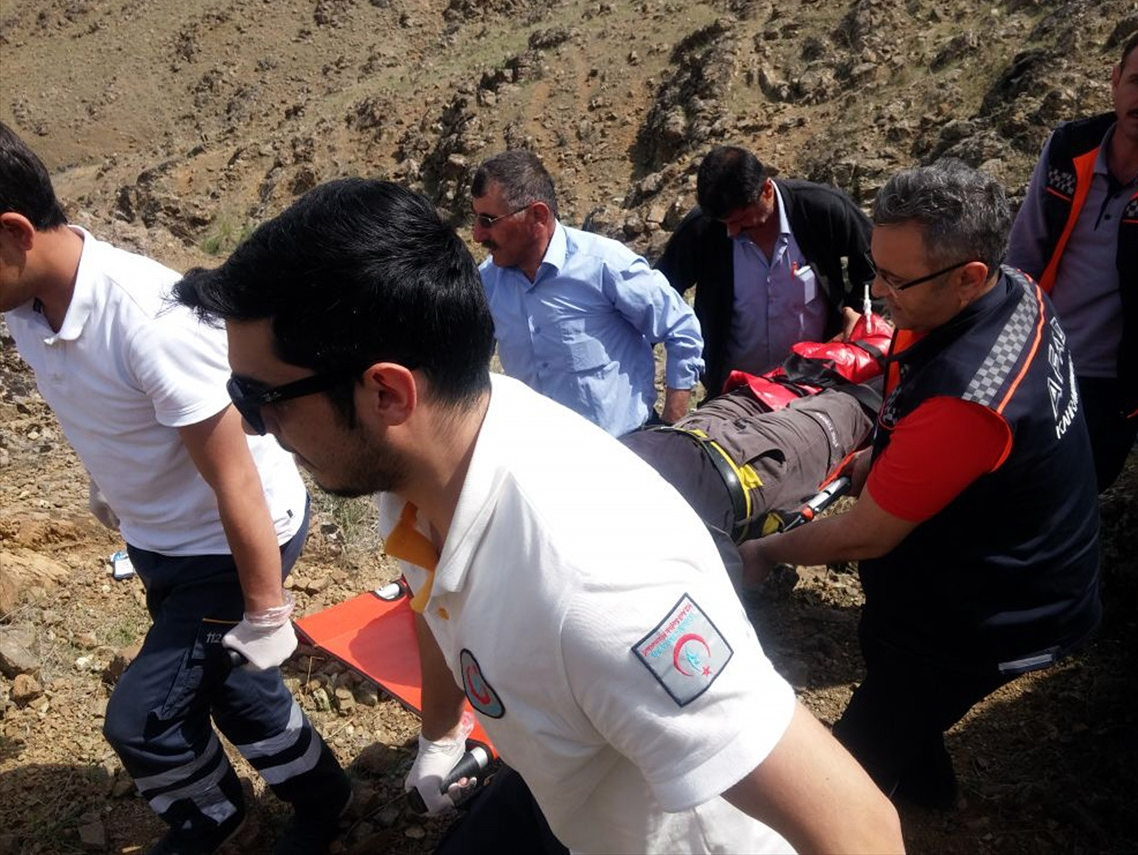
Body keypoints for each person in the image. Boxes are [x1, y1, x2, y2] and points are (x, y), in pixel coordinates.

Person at [174, 178, 904, 854]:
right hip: (574, 783)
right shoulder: (428, 472)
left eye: (259, 400)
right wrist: (439, 736)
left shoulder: (597, 590)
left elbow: (859, 827)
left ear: (388, 394)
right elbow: (435, 602)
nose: (255, 429)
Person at [0, 122, 350, 855]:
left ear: (13, 233)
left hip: (229, 542)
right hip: (161, 538)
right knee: (233, 682)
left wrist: (266, 609)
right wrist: (110, 484)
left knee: (144, 719)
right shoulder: (30, 308)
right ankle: (324, 796)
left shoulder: (147, 318)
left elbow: (237, 475)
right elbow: (97, 405)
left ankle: (215, 820)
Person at [741, 161, 1103, 810]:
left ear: (968, 276)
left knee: (850, 766)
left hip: (995, 612)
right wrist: (886, 457)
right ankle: (927, 797)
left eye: (897, 279)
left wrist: (765, 551)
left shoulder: (969, 397)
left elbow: (867, 535)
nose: (878, 293)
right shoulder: (1016, 289)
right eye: (875, 268)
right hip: (984, 560)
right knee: (890, 661)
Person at [1007, 19, 1138, 490]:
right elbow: (1023, 254)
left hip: (1119, 386)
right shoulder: (1068, 147)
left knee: (1075, 492)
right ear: (1115, 79)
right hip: (1035, 356)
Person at [623, 311, 891, 583]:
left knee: (839, 395)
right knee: (852, 402)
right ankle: (883, 356)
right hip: (725, 458)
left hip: (714, 432)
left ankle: (879, 353)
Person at [472, 150, 703, 436]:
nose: (477, 235)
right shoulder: (486, 282)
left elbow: (681, 328)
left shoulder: (604, 265)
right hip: (542, 453)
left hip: (625, 448)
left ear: (537, 216)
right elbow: (467, 365)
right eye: (476, 219)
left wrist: (671, 427)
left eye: (488, 221)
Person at [657, 145, 874, 396]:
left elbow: (876, 261)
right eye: (725, 223)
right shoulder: (702, 229)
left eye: (740, 221)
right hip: (734, 392)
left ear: (767, 191)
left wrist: (858, 314)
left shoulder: (821, 209)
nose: (731, 232)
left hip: (816, 384)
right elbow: (658, 295)